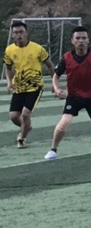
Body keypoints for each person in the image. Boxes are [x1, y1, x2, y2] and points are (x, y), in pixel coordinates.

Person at [45, 26, 91, 159]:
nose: (81, 41)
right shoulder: (66, 57)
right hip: (74, 97)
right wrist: (56, 89)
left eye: (84, 38)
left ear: (88, 40)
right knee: (63, 124)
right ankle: (53, 149)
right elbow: (56, 76)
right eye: (78, 38)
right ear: (72, 41)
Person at [5, 20, 59, 149]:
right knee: (13, 116)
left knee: (25, 114)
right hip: (19, 87)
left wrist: (54, 83)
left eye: (21, 32)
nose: (19, 35)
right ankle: (27, 126)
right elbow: (8, 68)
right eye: (16, 32)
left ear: (26, 33)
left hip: (35, 87)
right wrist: (9, 82)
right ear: (12, 34)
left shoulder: (37, 48)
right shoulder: (9, 50)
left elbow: (50, 66)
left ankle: (22, 139)